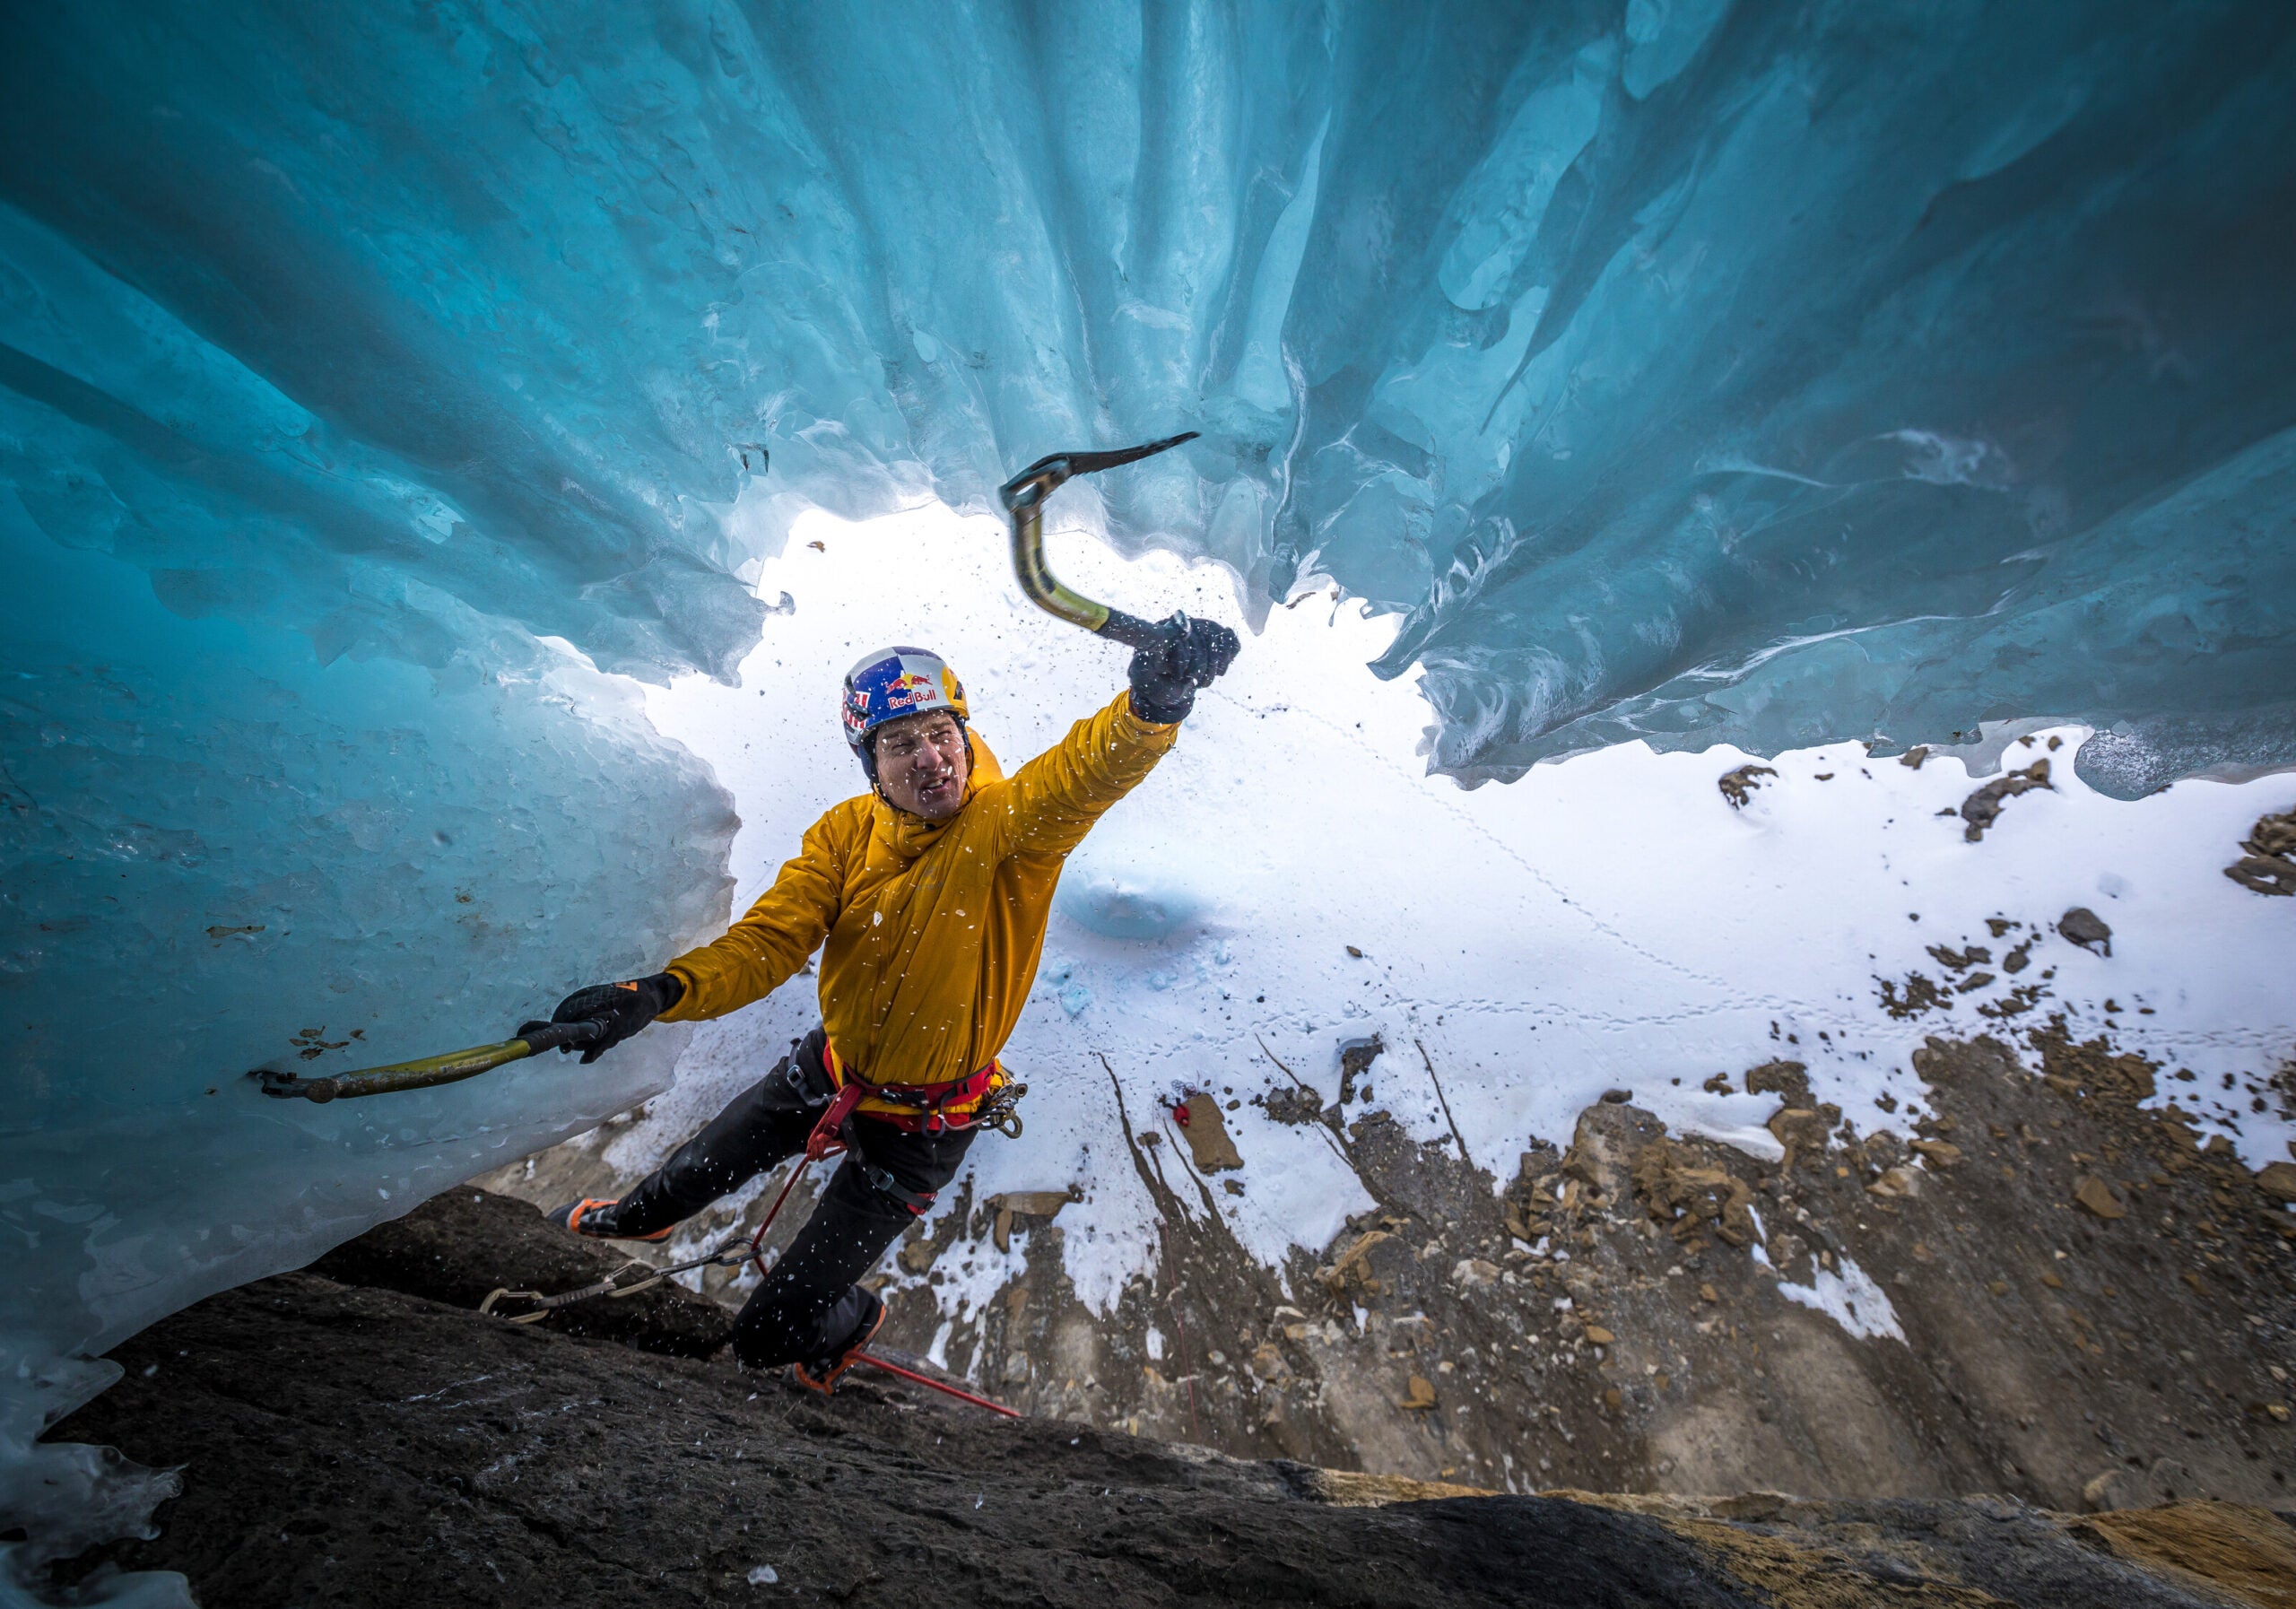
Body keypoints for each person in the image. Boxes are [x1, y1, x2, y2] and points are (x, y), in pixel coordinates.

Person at [530, 620, 1239, 1394]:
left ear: (965, 737)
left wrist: (1153, 705)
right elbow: (772, 941)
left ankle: (847, 1321)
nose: (931, 758)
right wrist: (662, 994)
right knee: (687, 1176)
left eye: (942, 733)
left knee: (768, 1337)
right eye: (901, 744)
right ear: (872, 765)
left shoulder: (1008, 829)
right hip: (827, 1070)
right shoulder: (846, 834)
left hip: (923, 1129)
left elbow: (1081, 775)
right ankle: (636, 1220)